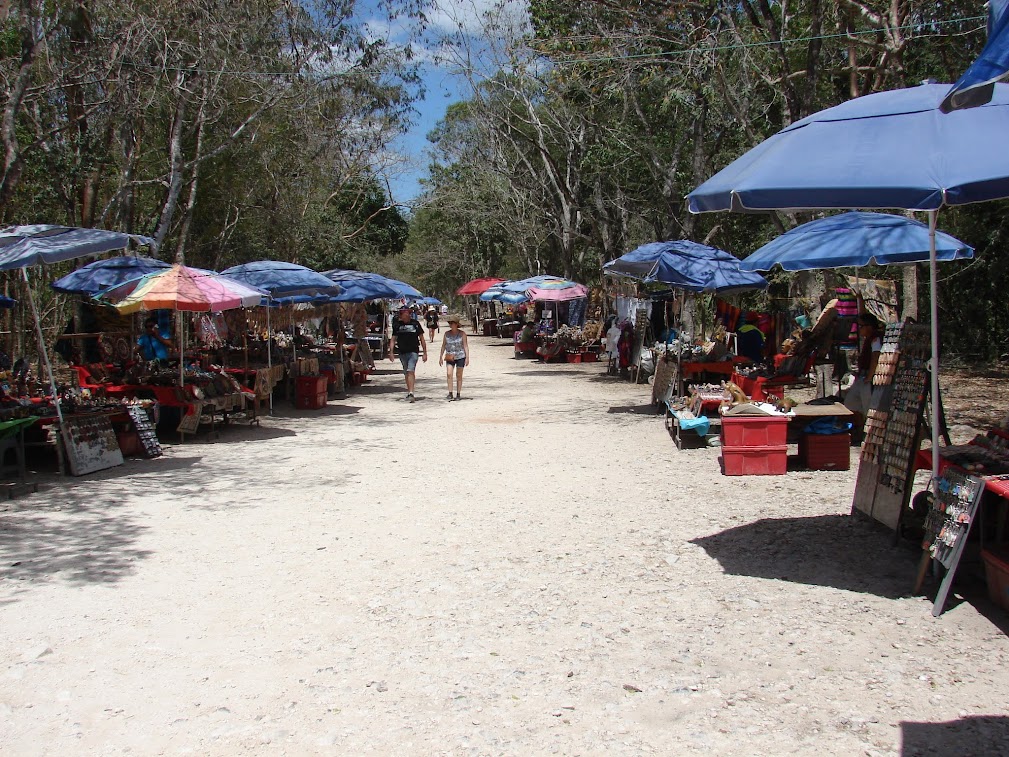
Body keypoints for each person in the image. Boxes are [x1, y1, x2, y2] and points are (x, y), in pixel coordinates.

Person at [843, 313, 883, 444]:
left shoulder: (875, 339)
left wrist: (870, 376)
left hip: (868, 377)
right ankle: (860, 429)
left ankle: (870, 436)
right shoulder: (868, 339)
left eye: (861, 326)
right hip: (862, 376)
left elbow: (876, 357)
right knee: (850, 402)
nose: (859, 329)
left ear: (869, 327)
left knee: (869, 408)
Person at [389, 306, 427, 402]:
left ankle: (411, 393)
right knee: (406, 372)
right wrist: (391, 352)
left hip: (413, 351)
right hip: (402, 352)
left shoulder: (415, 324)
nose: (406, 314)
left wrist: (425, 352)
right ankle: (409, 390)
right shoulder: (397, 325)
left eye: (408, 312)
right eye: (404, 313)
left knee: (410, 370)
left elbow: (422, 338)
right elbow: (393, 339)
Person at [439, 315, 470, 400]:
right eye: (449, 323)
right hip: (449, 356)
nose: (450, 324)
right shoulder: (446, 334)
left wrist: (467, 357)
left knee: (459, 375)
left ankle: (458, 394)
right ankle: (450, 393)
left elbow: (465, 346)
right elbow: (443, 345)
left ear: (456, 324)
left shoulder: (462, 334)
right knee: (449, 374)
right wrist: (440, 356)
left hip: (460, 356)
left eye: (452, 323)